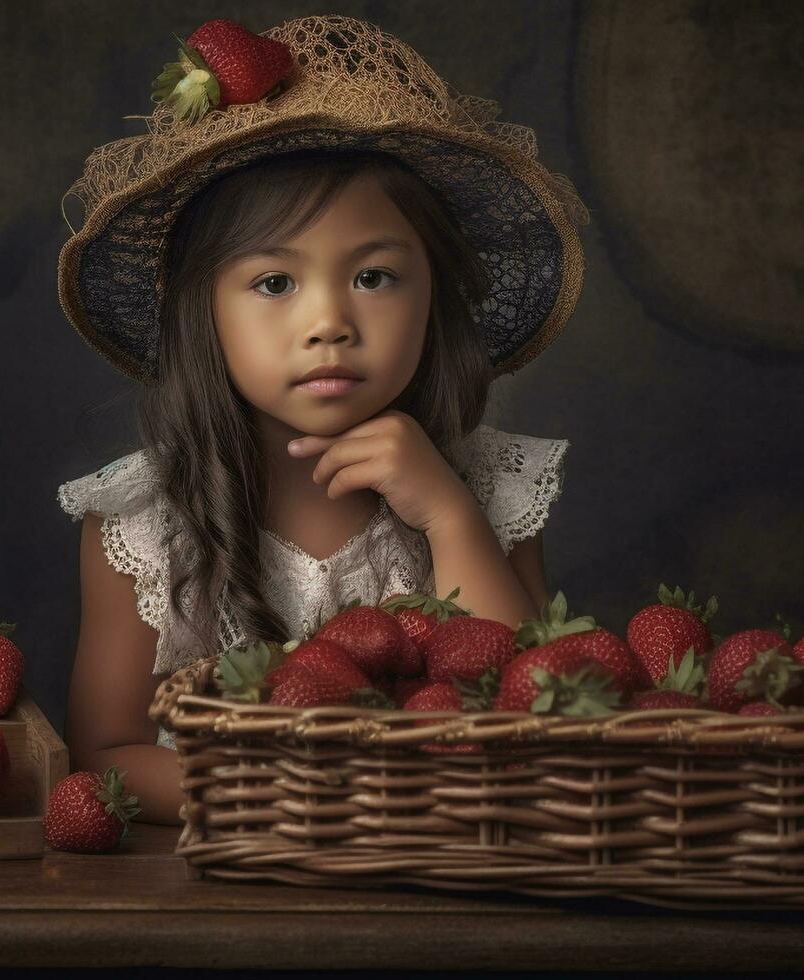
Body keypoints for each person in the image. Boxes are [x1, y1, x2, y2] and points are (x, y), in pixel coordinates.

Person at [54, 15, 589, 825]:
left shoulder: (486, 488)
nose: (329, 321)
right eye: (273, 284)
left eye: (374, 276)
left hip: (444, 868)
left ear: (434, 301)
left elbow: (536, 710)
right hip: (233, 880)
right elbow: (107, 752)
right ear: (204, 314)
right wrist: (301, 796)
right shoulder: (143, 521)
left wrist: (447, 516)